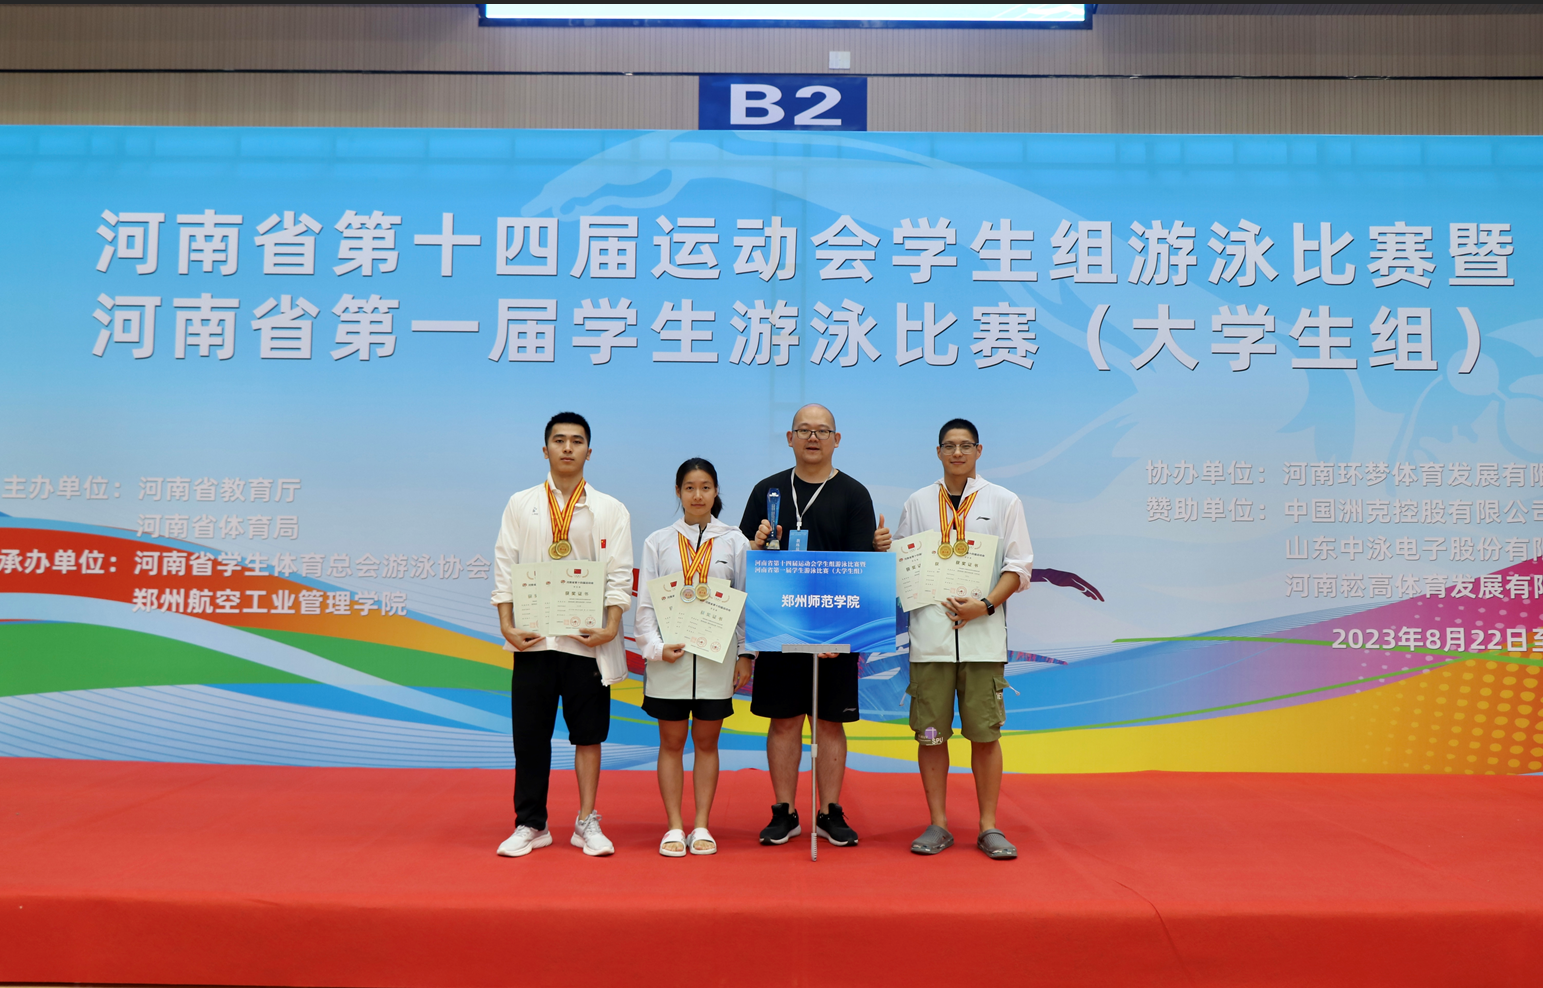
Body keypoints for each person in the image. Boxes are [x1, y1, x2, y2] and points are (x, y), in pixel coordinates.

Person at [873, 417, 1032, 860]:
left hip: (983, 639)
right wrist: (884, 548)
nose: (957, 452)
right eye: (949, 445)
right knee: (930, 736)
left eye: (965, 445)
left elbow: (1019, 567)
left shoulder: (1004, 501)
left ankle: (988, 826)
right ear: (938, 452)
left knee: (985, 735)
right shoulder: (919, 502)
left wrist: (985, 605)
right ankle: (938, 823)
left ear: (979, 451)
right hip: (931, 642)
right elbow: (903, 564)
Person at [490, 412, 634, 858]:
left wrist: (611, 626)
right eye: (559, 440)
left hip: (587, 642)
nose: (567, 447)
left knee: (588, 736)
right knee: (530, 737)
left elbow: (619, 573)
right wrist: (506, 624)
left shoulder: (611, 509)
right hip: (534, 639)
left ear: (589, 451)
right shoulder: (521, 504)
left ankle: (586, 822)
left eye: (576, 441)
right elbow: (505, 565)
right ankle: (531, 823)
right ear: (545, 449)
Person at [739, 403, 876, 847]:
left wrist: (843, 634)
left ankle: (829, 811)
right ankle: (784, 811)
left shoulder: (854, 494)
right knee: (783, 721)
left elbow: (859, 569)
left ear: (837, 439)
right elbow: (746, 560)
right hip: (779, 628)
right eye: (804, 430)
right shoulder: (767, 491)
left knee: (829, 723)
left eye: (822, 430)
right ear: (789, 438)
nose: (813, 437)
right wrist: (757, 546)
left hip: (834, 631)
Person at [635, 458, 755, 856]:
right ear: (678, 492)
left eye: (705, 487)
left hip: (716, 661)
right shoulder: (658, 542)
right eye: (689, 487)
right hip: (669, 660)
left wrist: (745, 654)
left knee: (706, 742)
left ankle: (701, 825)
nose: (698, 495)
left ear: (716, 491)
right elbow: (646, 606)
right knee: (670, 743)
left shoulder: (735, 541)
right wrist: (655, 648)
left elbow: (745, 604)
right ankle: (674, 826)